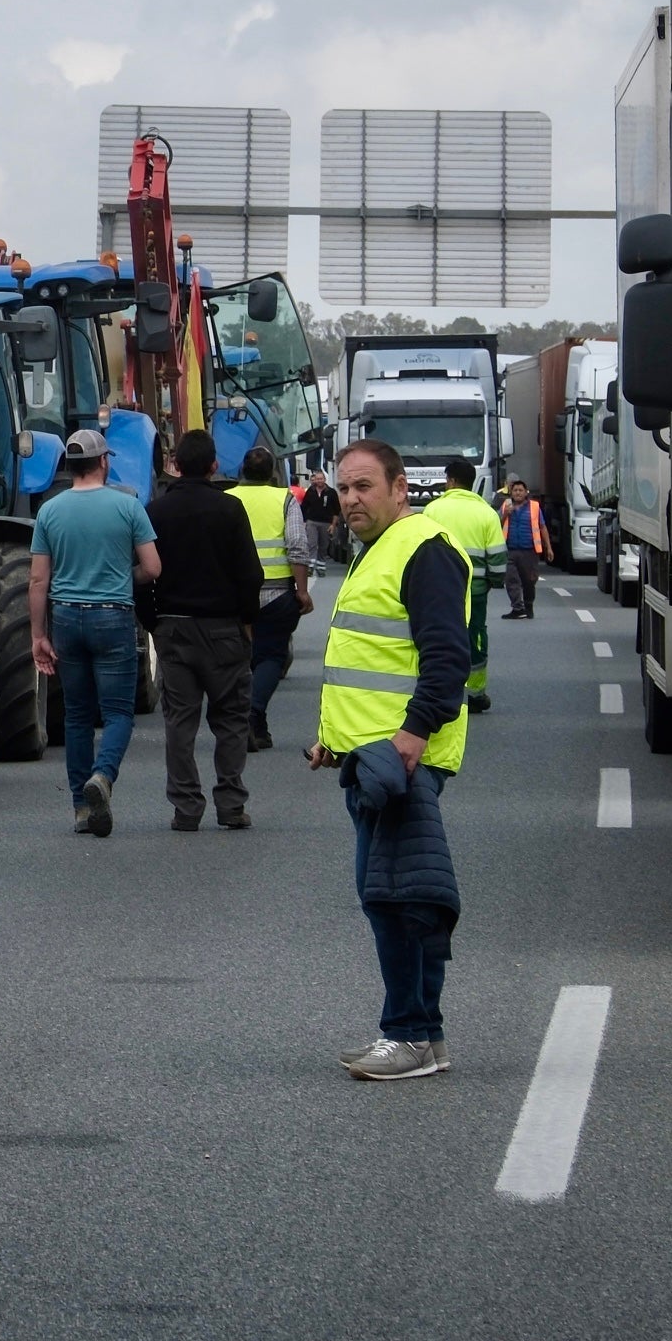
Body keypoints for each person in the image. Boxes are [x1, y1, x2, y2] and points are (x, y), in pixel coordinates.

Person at [310, 438, 473, 1082]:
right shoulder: (376, 550)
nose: (350, 499)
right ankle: (423, 1037)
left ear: (399, 487)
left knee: (392, 898)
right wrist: (334, 740)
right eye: (344, 488)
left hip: (399, 760)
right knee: (401, 890)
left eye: (364, 487)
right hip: (371, 758)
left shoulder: (424, 549)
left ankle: (405, 1033)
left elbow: (446, 658)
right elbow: (370, 663)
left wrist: (412, 738)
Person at [29, 426, 162, 837]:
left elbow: (37, 580)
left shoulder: (49, 511)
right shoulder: (128, 506)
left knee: (77, 716)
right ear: (103, 462)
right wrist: (122, 577)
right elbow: (153, 568)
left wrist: (38, 635)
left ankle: (80, 809)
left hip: (66, 618)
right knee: (119, 712)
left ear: (70, 467)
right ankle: (102, 777)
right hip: (113, 615)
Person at [145, 429, 264, 830]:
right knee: (230, 719)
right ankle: (230, 804)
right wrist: (246, 621)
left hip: (174, 628)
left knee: (180, 721)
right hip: (223, 628)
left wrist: (153, 622)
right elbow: (251, 574)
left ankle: (186, 808)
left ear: (175, 465)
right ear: (214, 465)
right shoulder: (229, 509)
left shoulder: (156, 511)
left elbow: (144, 574)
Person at [232, 446, 316, 750]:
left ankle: (253, 722)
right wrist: (302, 590)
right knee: (270, 656)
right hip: (277, 592)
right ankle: (253, 715)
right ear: (272, 473)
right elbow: (297, 545)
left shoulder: (228, 498)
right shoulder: (285, 499)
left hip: (234, 593)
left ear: (242, 470)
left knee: (240, 657)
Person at [425, 458, 507, 714]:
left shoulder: (432, 510)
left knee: (435, 638)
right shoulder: (486, 513)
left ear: (450, 481)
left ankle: (436, 691)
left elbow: (421, 549)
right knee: (474, 637)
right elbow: (496, 555)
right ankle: (475, 694)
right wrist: (494, 581)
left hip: (437, 588)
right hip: (476, 589)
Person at [501, 480, 550, 619]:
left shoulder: (534, 507)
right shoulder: (506, 506)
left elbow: (542, 527)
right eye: (515, 490)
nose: (517, 493)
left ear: (526, 492)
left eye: (520, 490)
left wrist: (549, 547)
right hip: (510, 549)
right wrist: (505, 514)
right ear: (511, 492)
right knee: (511, 580)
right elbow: (497, 525)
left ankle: (528, 605)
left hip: (529, 550)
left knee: (529, 581)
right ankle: (518, 607)